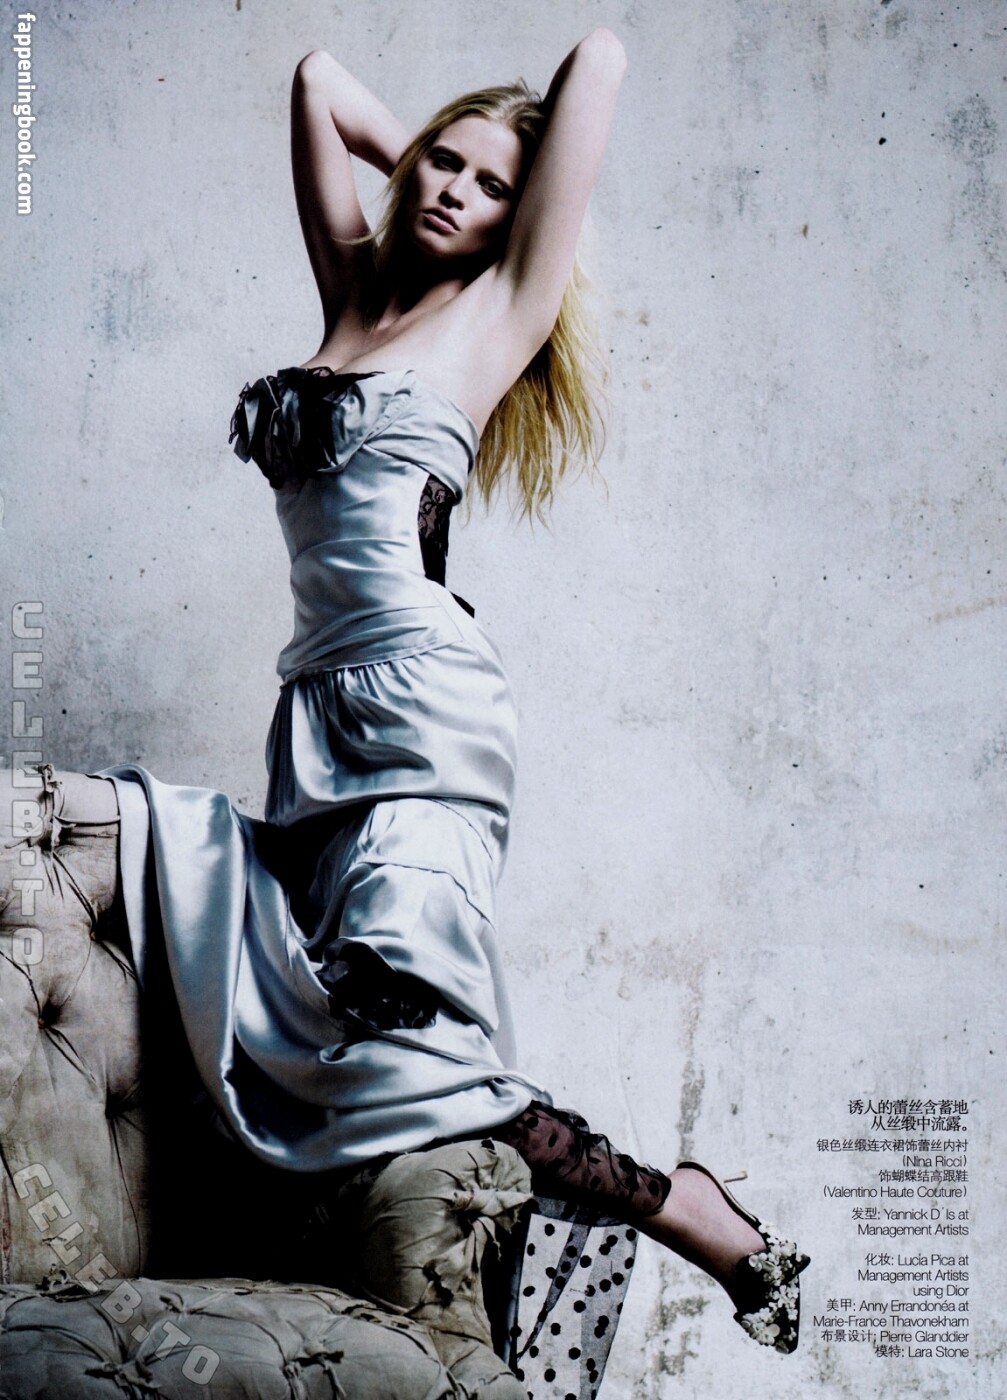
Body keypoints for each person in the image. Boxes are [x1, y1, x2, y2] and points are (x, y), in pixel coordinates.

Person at [100, 28, 807, 1360]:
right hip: (316, 720)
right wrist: (433, 155)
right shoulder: (355, 290)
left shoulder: (500, 312)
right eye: (443, 164)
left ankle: (687, 1211)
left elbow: (603, 55)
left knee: (423, 1052)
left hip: (427, 718)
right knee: (340, 1033)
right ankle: (642, 1208)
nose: (452, 192)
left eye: (491, 188)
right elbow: (317, 80)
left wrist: (513, 189)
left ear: (516, 225)